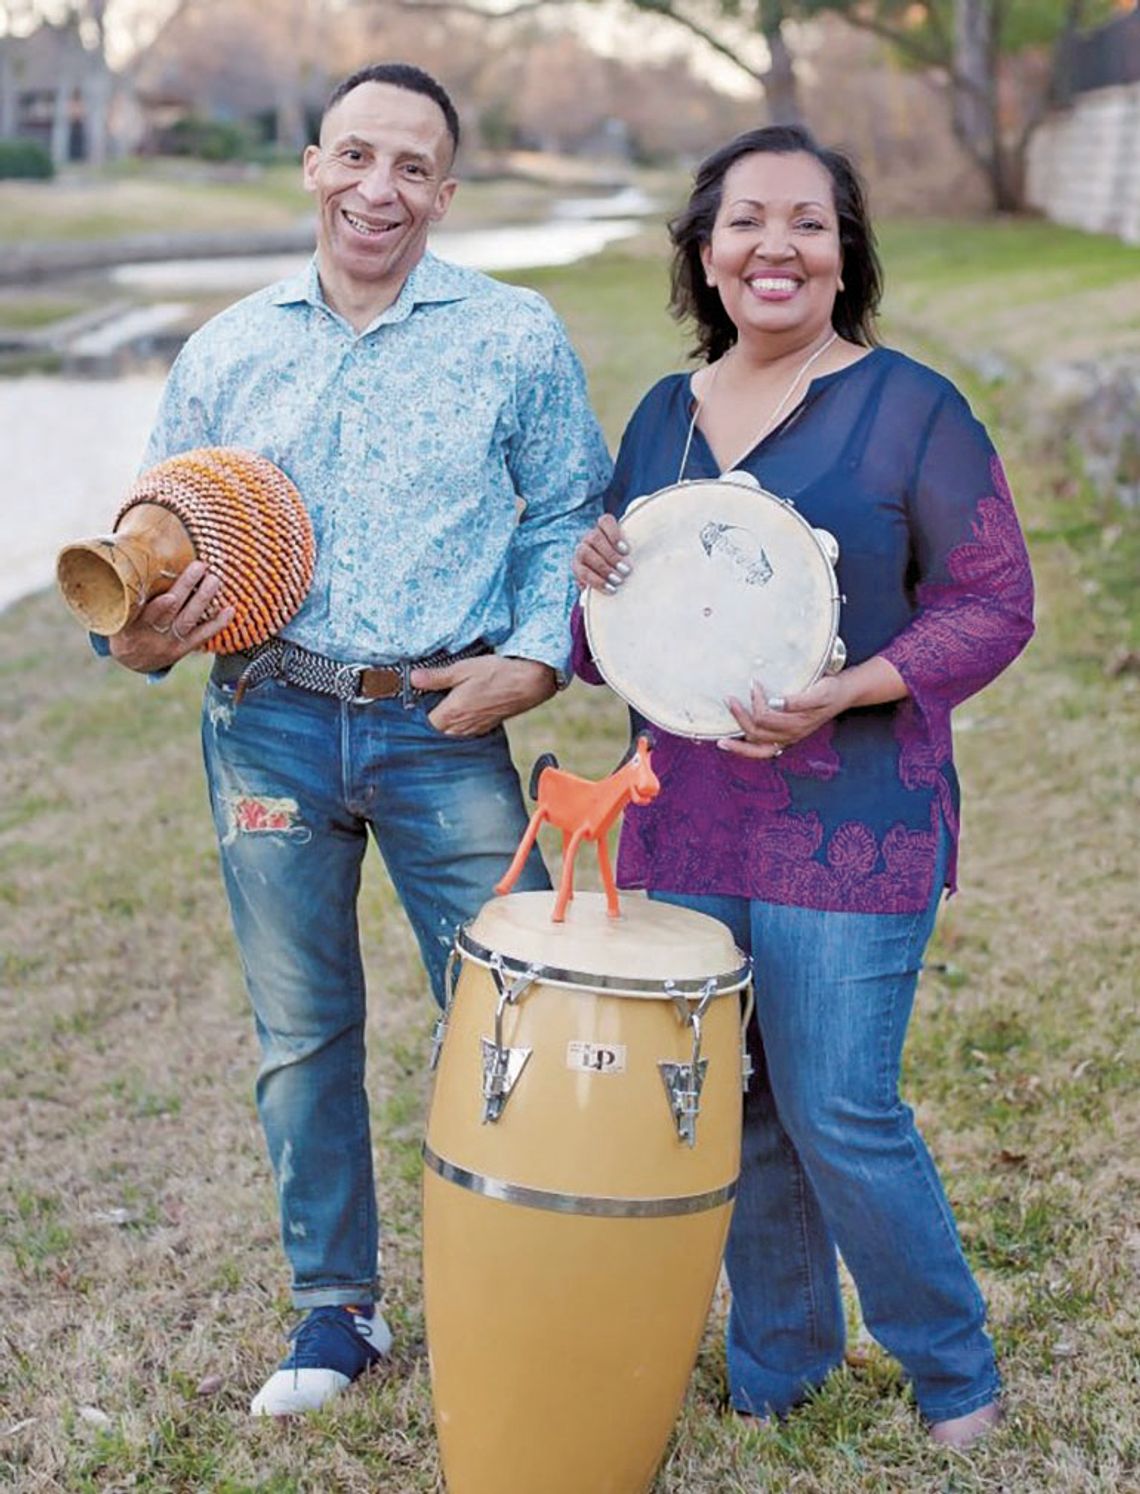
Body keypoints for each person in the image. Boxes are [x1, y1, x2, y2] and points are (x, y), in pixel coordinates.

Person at [104, 62, 611, 1416]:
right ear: (313, 165)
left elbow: (570, 507)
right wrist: (137, 637)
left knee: (514, 1013)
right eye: (356, 157)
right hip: (265, 724)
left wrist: (532, 657)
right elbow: (154, 540)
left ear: (447, 191)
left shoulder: (514, 336)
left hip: (440, 729)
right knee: (303, 1029)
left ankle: (536, 1278)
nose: (379, 189)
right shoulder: (226, 348)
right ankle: (337, 1313)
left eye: (412, 168)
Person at [571, 124, 1033, 1450]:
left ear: (845, 255)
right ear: (706, 253)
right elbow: (629, 635)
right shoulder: (665, 414)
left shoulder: (913, 408)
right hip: (687, 811)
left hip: (855, 813)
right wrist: (594, 575)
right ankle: (784, 1365)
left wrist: (852, 684)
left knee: (840, 1101)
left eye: (810, 223)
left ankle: (955, 1375)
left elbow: (996, 601)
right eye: (747, 221)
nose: (778, 245)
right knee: (743, 1100)